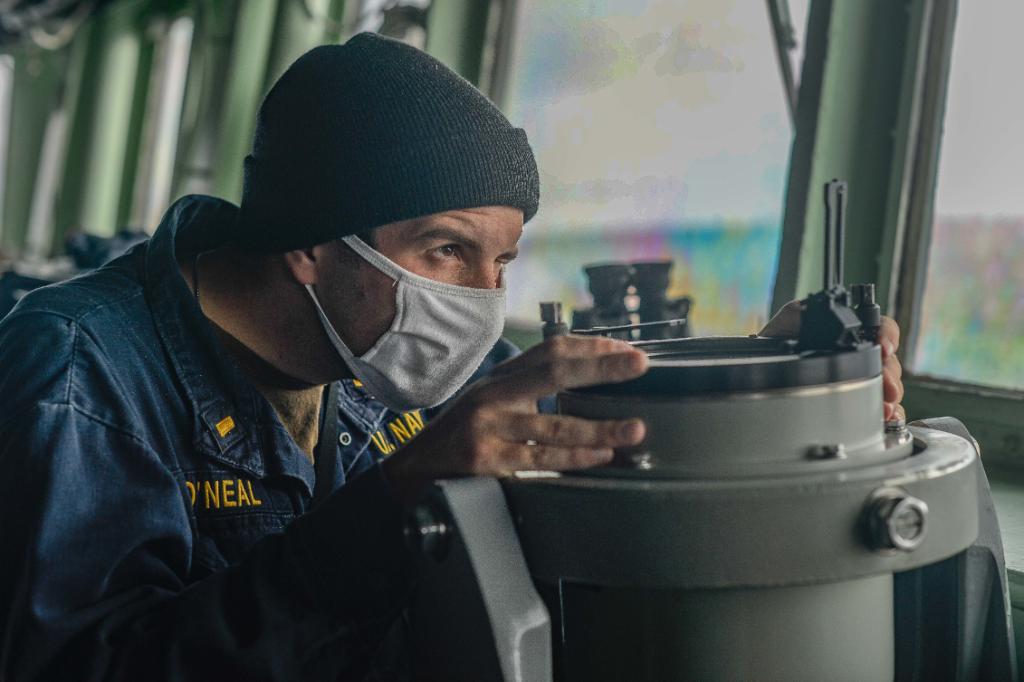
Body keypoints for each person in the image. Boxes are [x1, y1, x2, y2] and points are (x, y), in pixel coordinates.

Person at [0, 32, 904, 680]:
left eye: (502, 262)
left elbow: (584, 409)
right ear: (309, 242)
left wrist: (780, 372)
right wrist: (393, 503)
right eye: (446, 252)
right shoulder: (76, 377)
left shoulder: (401, 354)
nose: (479, 303)